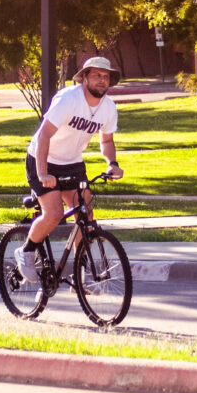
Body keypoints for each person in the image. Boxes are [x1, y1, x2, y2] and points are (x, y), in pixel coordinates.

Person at [17, 56, 124, 283]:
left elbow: (106, 141)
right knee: (54, 214)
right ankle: (26, 250)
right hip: (43, 158)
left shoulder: (108, 107)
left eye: (106, 77)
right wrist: (43, 173)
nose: (102, 80)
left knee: (85, 216)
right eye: (96, 75)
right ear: (84, 77)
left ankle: (80, 276)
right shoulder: (68, 99)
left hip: (72, 161)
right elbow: (44, 134)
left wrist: (112, 164)